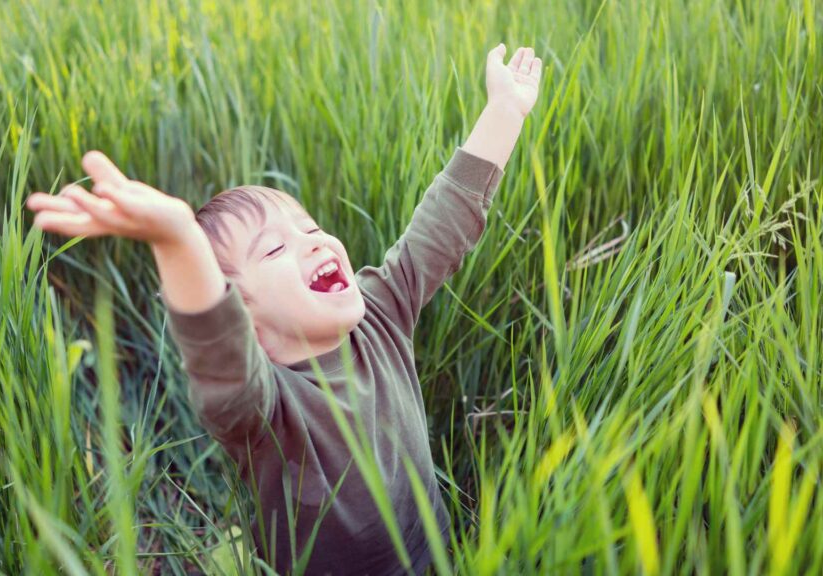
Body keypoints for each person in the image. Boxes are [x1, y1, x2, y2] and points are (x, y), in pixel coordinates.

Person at [27, 43, 542, 575]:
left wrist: (504, 110)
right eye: (274, 249)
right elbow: (216, 348)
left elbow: (444, 223)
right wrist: (178, 238)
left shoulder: (381, 313)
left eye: (312, 228)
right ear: (244, 320)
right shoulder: (264, 410)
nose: (312, 243)